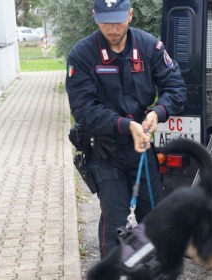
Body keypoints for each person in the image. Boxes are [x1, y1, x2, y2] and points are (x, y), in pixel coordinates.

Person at [65, 0, 187, 258]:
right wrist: (125, 125)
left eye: (118, 20)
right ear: (94, 17)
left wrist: (158, 112)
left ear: (130, 15)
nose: (112, 28)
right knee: (116, 224)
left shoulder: (149, 46)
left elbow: (175, 88)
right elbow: (84, 109)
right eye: (105, 21)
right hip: (106, 150)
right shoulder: (82, 55)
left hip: (141, 148)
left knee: (154, 219)